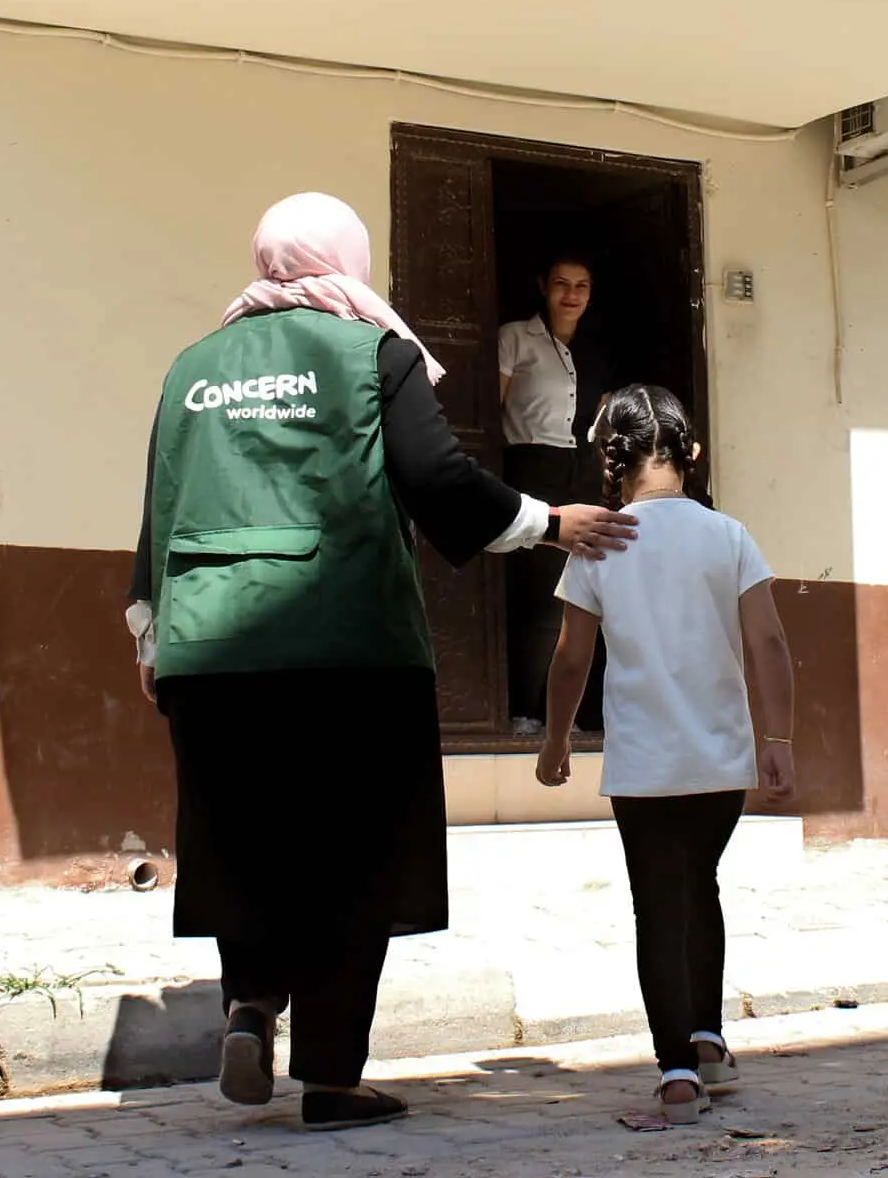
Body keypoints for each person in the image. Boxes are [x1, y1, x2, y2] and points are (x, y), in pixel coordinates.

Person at [124, 193, 637, 1133]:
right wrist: (547, 521)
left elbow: (161, 501)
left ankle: (248, 1003)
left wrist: (151, 631)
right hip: (343, 640)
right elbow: (439, 480)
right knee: (350, 854)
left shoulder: (192, 365)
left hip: (206, 646)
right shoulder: (373, 349)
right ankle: (328, 1076)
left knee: (242, 835)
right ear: (347, 260)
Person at [535, 384, 796, 1125]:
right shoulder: (730, 536)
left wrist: (556, 741)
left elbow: (570, 660)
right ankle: (709, 1040)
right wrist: (778, 740)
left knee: (659, 907)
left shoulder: (601, 540)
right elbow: (770, 642)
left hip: (645, 765)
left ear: (610, 459)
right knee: (701, 887)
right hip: (721, 762)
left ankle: (676, 1073)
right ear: (693, 455)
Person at [498, 250, 613, 735]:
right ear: (543, 286)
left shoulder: (596, 351)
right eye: (562, 284)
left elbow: (605, 417)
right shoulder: (514, 338)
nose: (571, 295)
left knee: (585, 592)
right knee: (541, 592)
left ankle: (579, 716)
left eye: (581, 286)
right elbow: (489, 408)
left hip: (581, 470)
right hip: (531, 465)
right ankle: (528, 711)